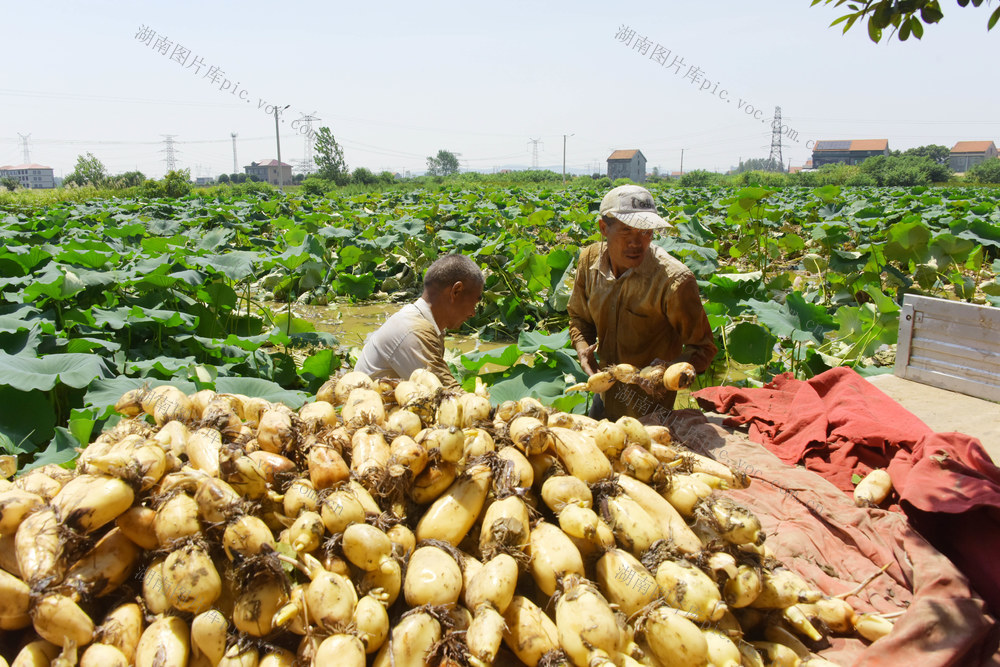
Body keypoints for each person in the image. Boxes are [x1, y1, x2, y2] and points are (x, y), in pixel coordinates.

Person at [568, 184, 717, 420]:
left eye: (646, 232)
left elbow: (704, 349)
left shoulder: (674, 281)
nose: (637, 243)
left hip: (651, 409)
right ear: (604, 228)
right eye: (627, 231)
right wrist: (583, 351)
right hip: (605, 394)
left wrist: (663, 372)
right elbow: (579, 318)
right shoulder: (589, 261)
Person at [355, 254, 484, 390]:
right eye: (474, 303)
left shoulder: (423, 323)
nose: (473, 313)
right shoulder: (413, 330)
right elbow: (447, 394)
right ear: (456, 291)